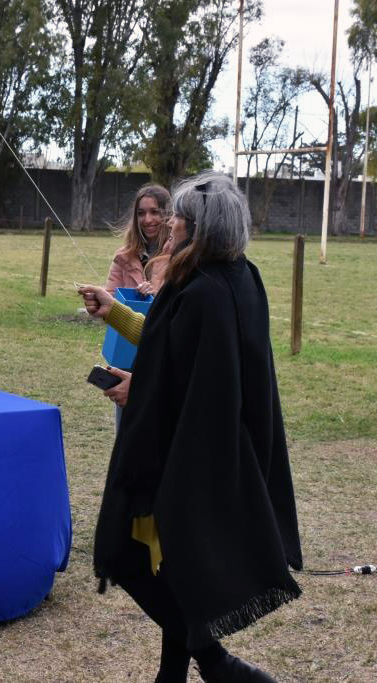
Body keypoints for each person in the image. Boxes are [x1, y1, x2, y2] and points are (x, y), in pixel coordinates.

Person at [78, 171, 302, 683]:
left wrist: (141, 391)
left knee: (127, 554)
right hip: (219, 445)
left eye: (178, 214)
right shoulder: (239, 276)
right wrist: (117, 315)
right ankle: (173, 675)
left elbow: (196, 383)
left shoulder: (201, 290)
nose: (170, 221)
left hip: (190, 452)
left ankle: (218, 662)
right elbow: (177, 354)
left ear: (198, 228)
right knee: (171, 565)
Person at [101, 184, 171, 412]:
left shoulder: (179, 257)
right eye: (141, 213)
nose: (147, 219)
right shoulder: (123, 257)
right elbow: (109, 301)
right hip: (126, 356)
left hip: (163, 356)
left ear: (167, 214)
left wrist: (157, 295)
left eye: (154, 212)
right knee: (125, 429)